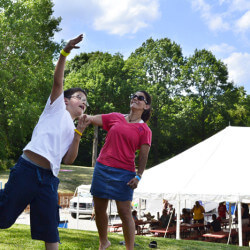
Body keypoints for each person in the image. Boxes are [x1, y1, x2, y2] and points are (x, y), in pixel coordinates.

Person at [0, 35, 90, 250]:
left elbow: (68, 159)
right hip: (27, 170)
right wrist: (65, 52)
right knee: (3, 218)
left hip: (49, 179)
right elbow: (58, 81)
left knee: (51, 229)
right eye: (80, 97)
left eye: (86, 102)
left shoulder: (72, 127)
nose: (84, 102)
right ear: (66, 100)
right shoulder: (56, 107)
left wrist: (79, 132)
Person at [87, 91, 152, 250]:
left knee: (124, 213)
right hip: (102, 168)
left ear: (146, 106)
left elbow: (143, 156)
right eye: (134, 96)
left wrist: (139, 176)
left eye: (140, 98)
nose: (135, 99)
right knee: (100, 209)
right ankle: (104, 242)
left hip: (124, 173)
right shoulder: (116, 117)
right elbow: (92, 119)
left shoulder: (145, 130)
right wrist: (81, 114)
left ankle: (129, 248)